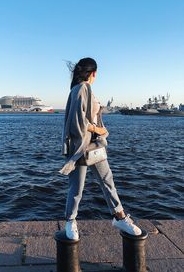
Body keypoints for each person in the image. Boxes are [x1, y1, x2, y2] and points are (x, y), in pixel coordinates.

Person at [60, 57, 142, 240]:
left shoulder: (80, 89)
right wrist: (100, 130)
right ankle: (70, 221)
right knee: (77, 188)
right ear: (93, 73)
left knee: (106, 181)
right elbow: (78, 122)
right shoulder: (82, 88)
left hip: (93, 145)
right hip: (81, 146)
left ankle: (120, 216)